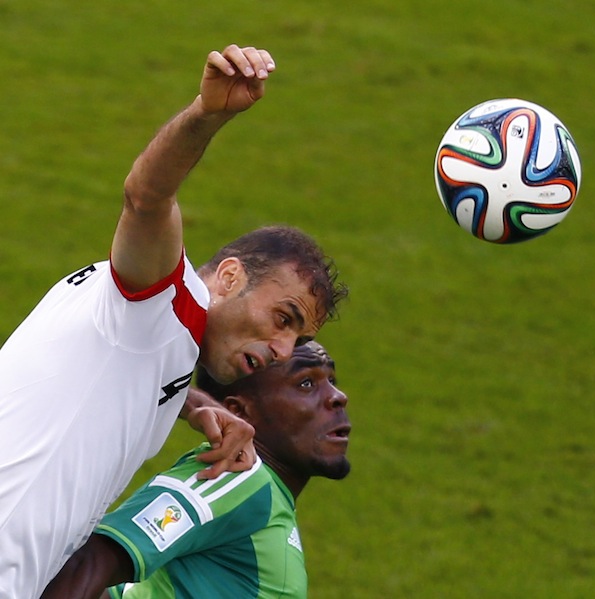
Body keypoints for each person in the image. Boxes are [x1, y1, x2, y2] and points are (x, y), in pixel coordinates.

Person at [0, 45, 347, 598]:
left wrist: (199, 407)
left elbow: (121, 370)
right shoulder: (167, 301)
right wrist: (207, 115)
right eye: (283, 318)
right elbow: (146, 196)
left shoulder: (147, 332)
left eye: (297, 336)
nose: (284, 349)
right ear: (229, 277)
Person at [42, 340, 352, 598]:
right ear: (237, 413)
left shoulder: (268, 500)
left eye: (332, 382)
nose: (339, 397)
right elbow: (90, 562)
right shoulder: (238, 477)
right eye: (307, 383)